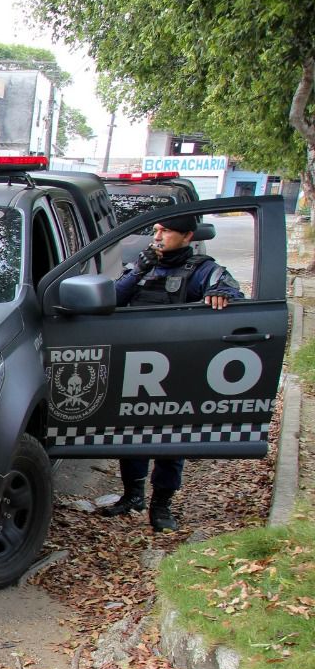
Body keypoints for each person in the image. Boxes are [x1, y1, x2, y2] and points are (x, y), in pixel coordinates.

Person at [99, 212, 244, 532]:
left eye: (166, 231)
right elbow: (111, 299)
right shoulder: (141, 266)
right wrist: (140, 268)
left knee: (170, 439)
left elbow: (230, 290)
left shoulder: (202, 270)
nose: (158, 236)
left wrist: (222, 294)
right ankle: (132, 495)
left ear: (187, 236)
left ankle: (161, 505)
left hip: (177, 369)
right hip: (138, 366)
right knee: (131, 434)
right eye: (156, 230)